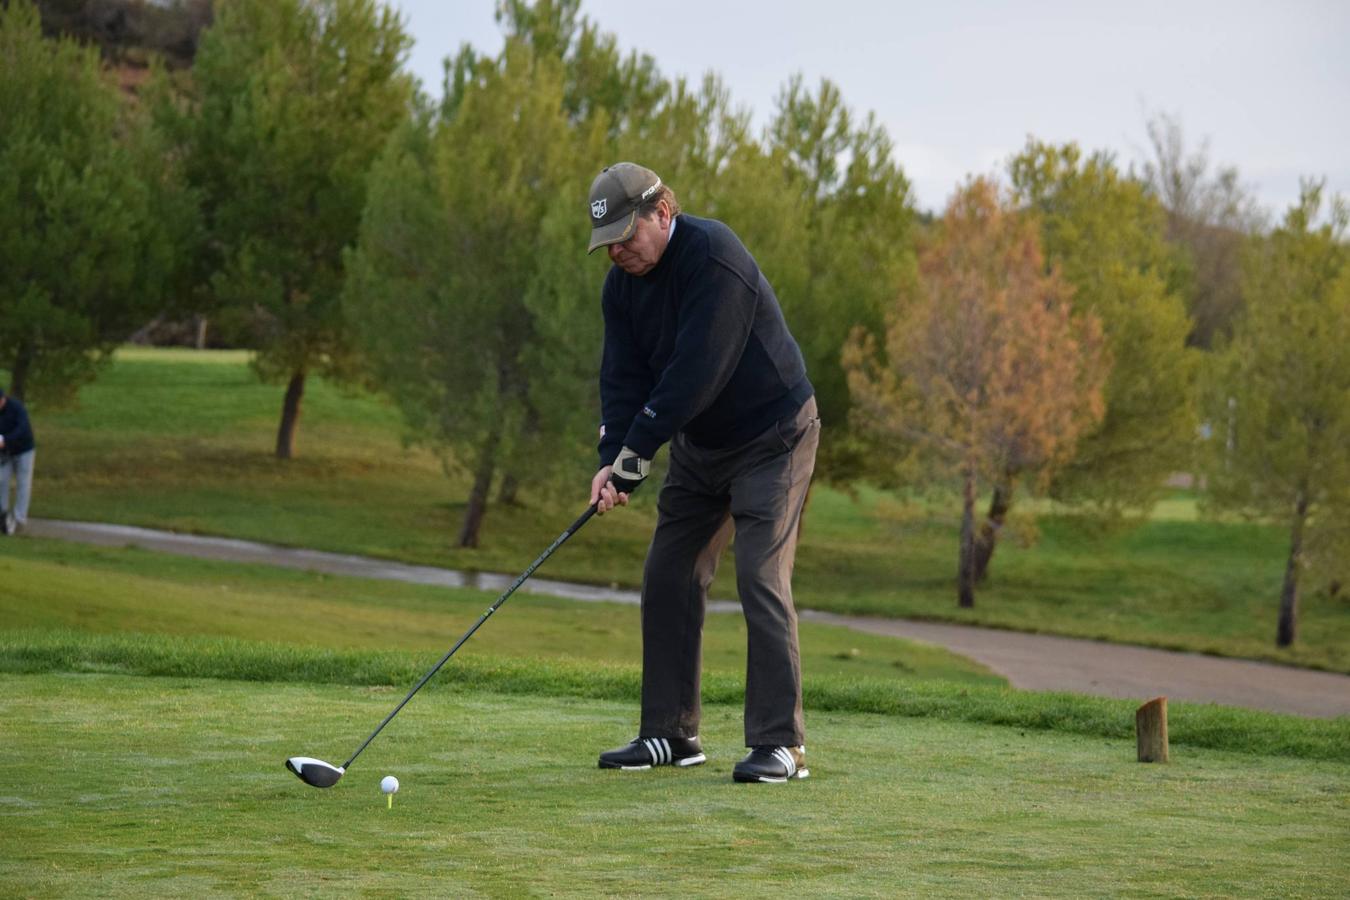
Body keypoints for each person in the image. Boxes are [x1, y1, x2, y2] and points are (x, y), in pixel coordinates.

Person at [585, 162, 820, 783]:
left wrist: (634, 463)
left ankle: (781, 744)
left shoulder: (714, 257)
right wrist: (611, 458)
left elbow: (694, 375)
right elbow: (622, 380)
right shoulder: (622, 288)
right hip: (701, 445)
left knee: (759, 573)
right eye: (607, 244)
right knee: (668, 573)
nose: (617, 252)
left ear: (663, 213)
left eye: (626, 237)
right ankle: (670, 733)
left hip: (774, 434)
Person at [0, 386, 36, 536]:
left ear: (3, 399)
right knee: (2, 480)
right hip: (5, 452)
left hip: (24, 450)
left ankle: (19, 519)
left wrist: (5, 440)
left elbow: (22, 429)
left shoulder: (16, 408)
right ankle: (3, 515)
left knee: (23, 483)